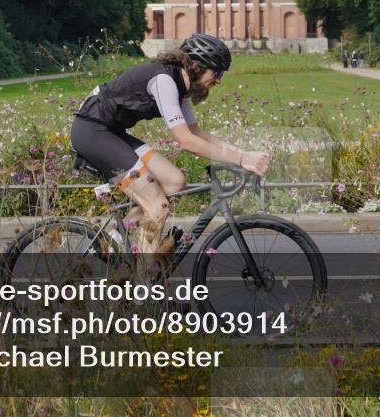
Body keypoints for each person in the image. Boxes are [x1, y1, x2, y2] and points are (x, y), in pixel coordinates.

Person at [70, 33, 270, 276]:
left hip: (109, 131)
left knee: (174, 181)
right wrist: (241, 159)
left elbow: (196, 132)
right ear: (197, 66)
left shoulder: (180, 87)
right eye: (217, 73)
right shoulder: (164, 80)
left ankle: (114, 234)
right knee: (158, 206)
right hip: (92, 132)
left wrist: (244, 154)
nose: (218, 80)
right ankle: (142, 295)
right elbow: (186, 141)